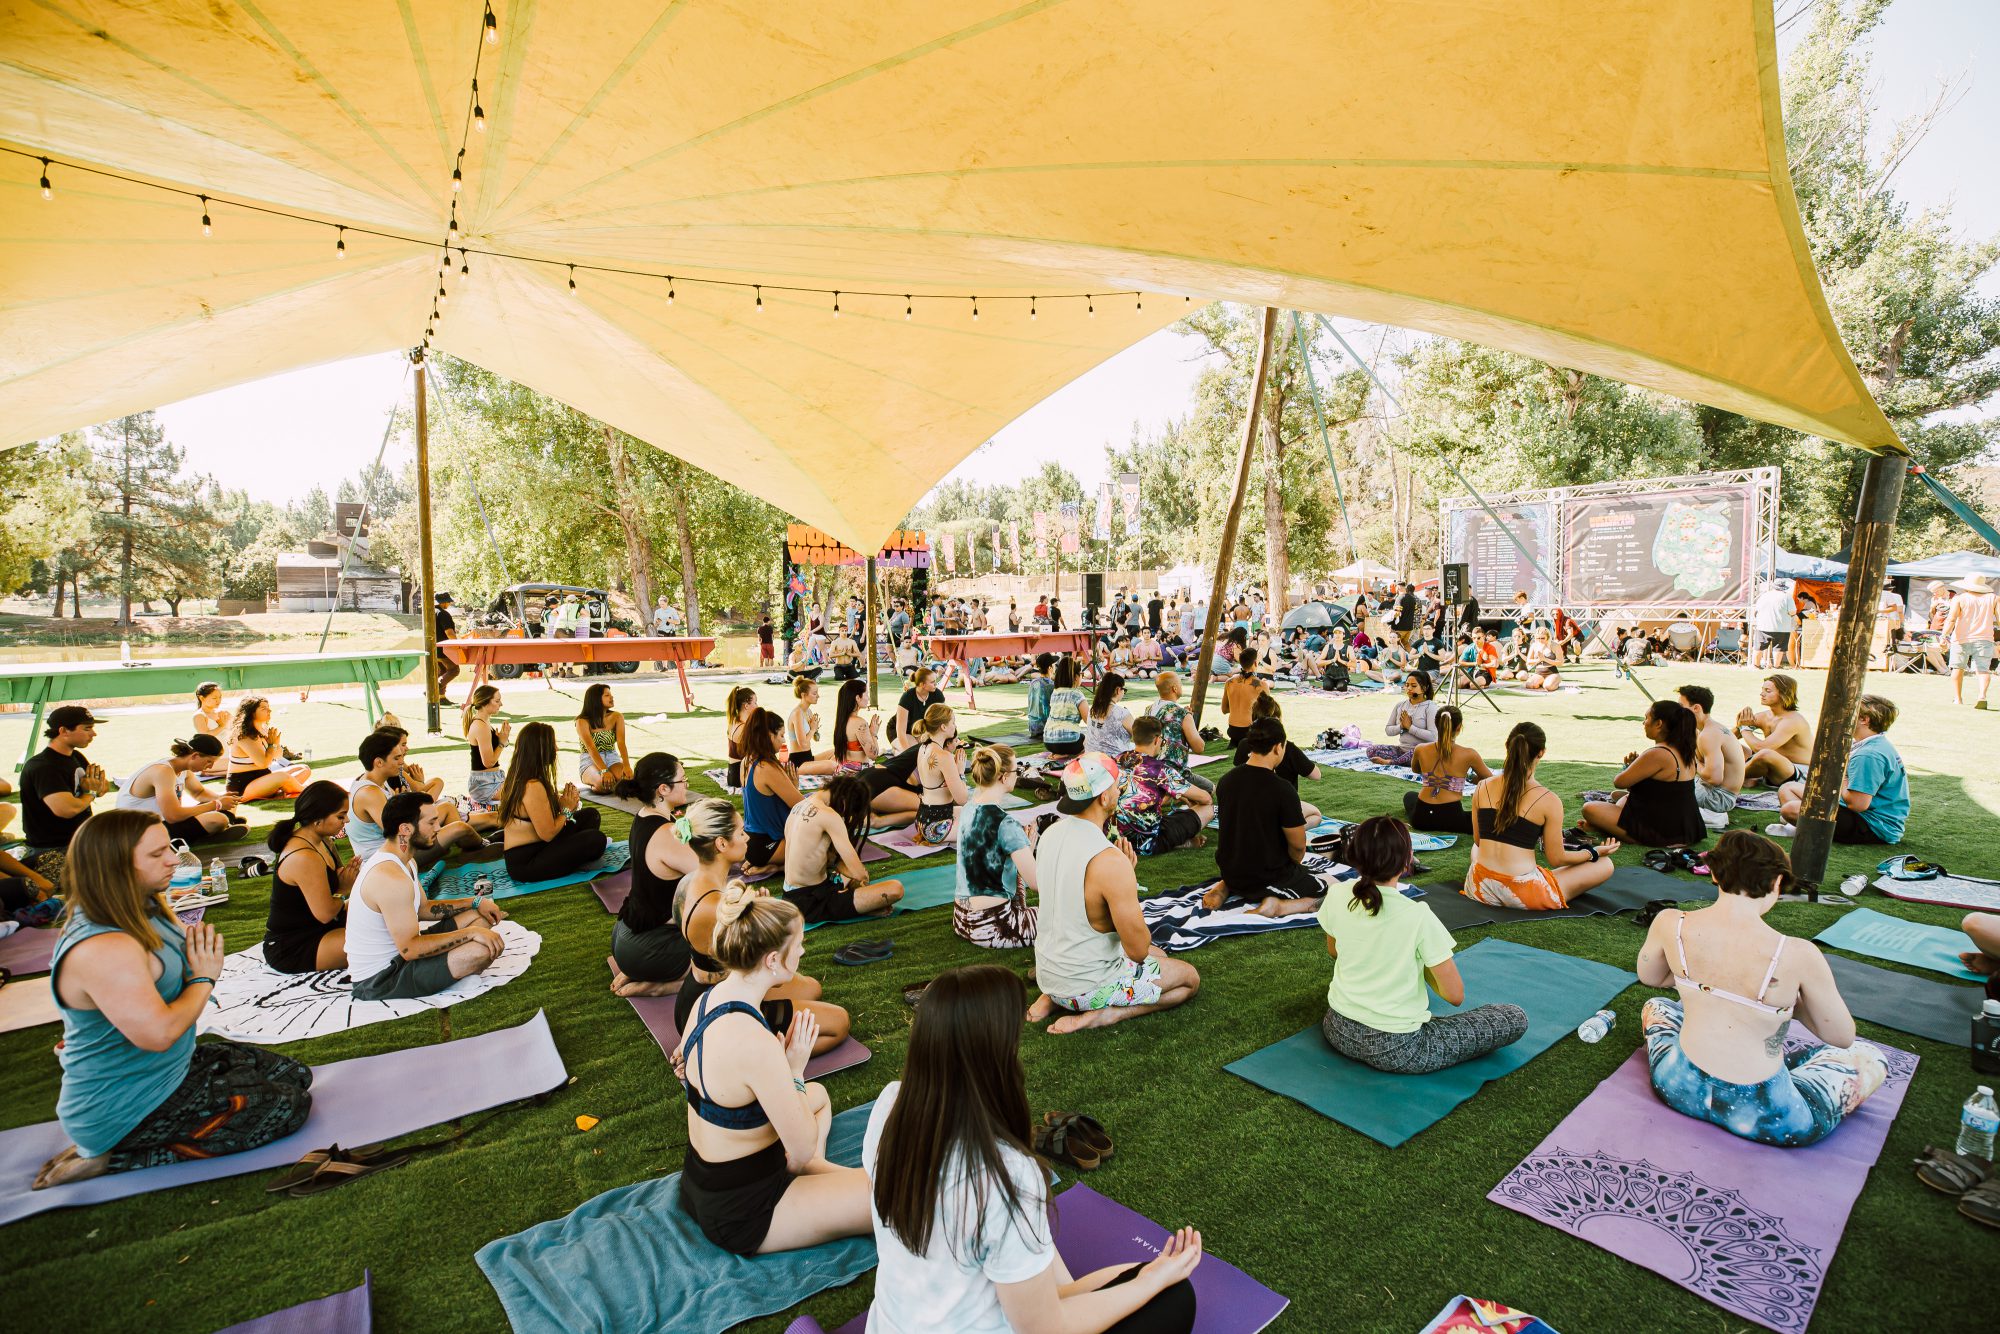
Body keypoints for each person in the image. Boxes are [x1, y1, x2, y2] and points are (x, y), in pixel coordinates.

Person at [864, 965, 1202, 1334]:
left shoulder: (891, 1105)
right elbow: (1046, 1331)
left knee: (1141, 1274)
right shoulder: (1006, 1175)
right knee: (1173, 1298)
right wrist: (1149, 1283)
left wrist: (1144, 1277)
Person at [32, 810, 313, 1191]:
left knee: (296, 1075)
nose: (172, 859)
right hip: (126, 1104)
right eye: (156, 854)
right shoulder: (104, 946)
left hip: (167, 1070)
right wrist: (203, 978)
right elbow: (160, 1034)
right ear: (116, 865)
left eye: (168, 847)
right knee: (289, 1109)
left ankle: (122, 1142)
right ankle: (113, 1157)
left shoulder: (145, 905)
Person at [1635, 831, 1887, 1147]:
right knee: (1868, 1055)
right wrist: (1788, 1006)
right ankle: (1790, 1062)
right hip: (1767, 1113)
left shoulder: (1671, 922)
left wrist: (1702, 983)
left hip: (1678, 1086)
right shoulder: (1797, 953)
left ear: (1713, 873)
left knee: (1657, 1005)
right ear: (1777, 883)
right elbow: (1841, 1036)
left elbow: (1652, 977)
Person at [672, 884, 871, 1257]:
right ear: (773, 962)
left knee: (820, 1097)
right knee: (888, 1200)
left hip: (701, 1183)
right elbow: (799, 1149)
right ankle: (821, 1179)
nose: (803, 949)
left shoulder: (703, 1002)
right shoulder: (753, 1042)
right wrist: (794, 1069)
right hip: (745, 1210)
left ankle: (820, 1172)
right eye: (797, 944)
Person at [1318, 816, 1528, 1074]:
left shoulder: (1338, 893)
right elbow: (1455, 995)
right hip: (1398, 1049)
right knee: (1513, 1017)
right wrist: (1416, 963)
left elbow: (1334, 950)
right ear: (1407, 860)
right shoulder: (1417, 915)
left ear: (1355, 856)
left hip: (1337, 1028)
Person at [1027, 755, 1201, 1034]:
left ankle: (1052, 998)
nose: (1120, 791)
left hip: (1050, 975)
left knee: (1162, 955)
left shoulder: (1050, 835)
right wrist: (1127, 884)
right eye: (1117, 786)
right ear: (1103, 798)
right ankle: (1105, 1015)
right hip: (1086, 986)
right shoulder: (1110, 860)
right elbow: (1138, 950)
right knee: (1188, 979)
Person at [347, 792, 508, 1001]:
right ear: (405, 829)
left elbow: (423, 909)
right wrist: (470, 934)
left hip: (403, 957)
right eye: (431, 822)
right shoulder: (389, 877)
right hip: (383, 978)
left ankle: (449, 970)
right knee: (481, 951)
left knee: (481, 914)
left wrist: (475, 901)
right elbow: (410, 949)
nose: (438, 828)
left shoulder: (406, 860)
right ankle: (451, 972)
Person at [1464, 724, 1618, 910]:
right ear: (1541, 753)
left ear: (1508, 747)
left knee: (1476, 848)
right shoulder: (1549, 800)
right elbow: (1557, 859)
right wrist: (1593, 853)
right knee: (1605, 864)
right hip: (1522, 894)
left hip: (1479, 886)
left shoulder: (1482, 786)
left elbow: (1479, 840)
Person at [1207, 718, 1322, 916]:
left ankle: (1225, 885)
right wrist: (1294, 869)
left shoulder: (1226, 781)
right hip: (1267, 877)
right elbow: (1298, 846)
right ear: (1278, 747)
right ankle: (1278, 906)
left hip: (1232, 871)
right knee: (1333, 891)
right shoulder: (1282, 789)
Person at [609, 752, 697, 998]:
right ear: (663, 789)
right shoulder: (667, 832)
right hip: (646, 949)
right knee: (730, 955)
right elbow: (708, 877)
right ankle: (661, 985)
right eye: (683, 779)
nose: (687, 784)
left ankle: (640, 970)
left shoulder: (645, 816)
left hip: (625, 936)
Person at [1772, 694, 1908, 844]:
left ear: (1864, 720)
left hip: (1873, 825)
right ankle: (1801, 827)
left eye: (1848, 711)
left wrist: (1841, 775)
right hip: (1860, 812)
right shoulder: (1872, 743)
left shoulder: (1868, 755)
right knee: (1788, 789)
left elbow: (1858, 805)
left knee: (1790, 810)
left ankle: (1802, 828)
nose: (1843, 715)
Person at [347, 730, 482, 869]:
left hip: (395, 848)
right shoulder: (370, 793)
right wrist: (430, 828)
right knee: (459, 828)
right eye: (396, 758)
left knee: (447, 807)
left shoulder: (376, 781)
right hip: (388, 860)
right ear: (379, 762)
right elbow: (399, 833)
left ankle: (470, 848)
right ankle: (481, 846)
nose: (401, 762)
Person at [1578, 700, 1705, 847]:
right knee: (1623, 798)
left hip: (1660, 831)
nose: (1643, 723)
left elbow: (1620, 782)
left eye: (1647, 718)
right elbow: (1657, 789)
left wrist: (1629, 767)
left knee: (1589, 808)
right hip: (1684, 827)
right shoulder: (1684, 750)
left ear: (1659, 724)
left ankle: (1605, 826)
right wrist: (1636, 767)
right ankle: (1604, 825)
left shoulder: (1658, 753)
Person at [262, 781, 357, 974]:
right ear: (318, 819)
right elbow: (325, 913)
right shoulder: (304, 856)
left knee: (383, 917)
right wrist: (344, 890)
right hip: (294, 946)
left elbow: (336, 880)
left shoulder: (323, 841)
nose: (346, 821)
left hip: (320, 927)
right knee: (381, 942)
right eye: (341, 816)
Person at [782, 774, 905, 922]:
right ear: (846, 802)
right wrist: (863, 885)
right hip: (811, 902)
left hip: (791, 895)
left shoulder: (800, 805)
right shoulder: (829, 815)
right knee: (895, 889)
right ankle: (862, 908)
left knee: (846, 875)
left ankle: (858, 906)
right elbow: (859, 874)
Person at [498, 722, 610, 882]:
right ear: (541, 750)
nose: (556, 749)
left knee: (591, 816)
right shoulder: (532, 786)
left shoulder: (524, 776)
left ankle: (568, 856)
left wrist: (565, 801)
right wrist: (566, 810)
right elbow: (548, 833)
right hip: (527, 862)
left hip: (539, 846)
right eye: (553, 744)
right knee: (596, 840)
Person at [954, 746, 1038, 949]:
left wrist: (1025, 846)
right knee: (1066, 917)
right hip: (995, 926)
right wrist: (1032, 850)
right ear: (1003, 777)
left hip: (961, 920)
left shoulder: (966, 810)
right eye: (1016, 770)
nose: (1018, 775)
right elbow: (1037, 882)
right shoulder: (1006, 824)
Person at [20, 706, 114, 877]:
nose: (93, 734)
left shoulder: (76, 757)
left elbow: (102, 786)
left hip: (79, 842)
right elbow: (66, 809)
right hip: (52, 851)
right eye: (87, 728)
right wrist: (90, 794)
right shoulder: (44, 766)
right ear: (63, 731)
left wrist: (94, 789)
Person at [115, 737, 243, 844]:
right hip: (139, 833)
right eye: (209, 761)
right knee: (218, 819)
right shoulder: (163, 771)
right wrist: (217, 804)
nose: (211, 766)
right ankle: (212, 831)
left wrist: (221, 799)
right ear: (195, 756)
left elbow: (199, 793)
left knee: (226, 805)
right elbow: (173, 816)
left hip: (161, 823)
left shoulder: (182, 769)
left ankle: (217, 827)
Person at [1116, 716, 1212, 856]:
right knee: (1208, 809)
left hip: (1116, 839)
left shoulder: (1117, 759)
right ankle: (1177, 841)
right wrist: (1181, 794)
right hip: (1148, 843)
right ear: (1157, 739)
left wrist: (1171, 793)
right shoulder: (1161, 770)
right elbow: (1206, 799)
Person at [1403, 706, 1490, 835]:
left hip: (1422, 818)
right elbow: (1490, 779)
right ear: (1459, 727)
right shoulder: (1469, 754)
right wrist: (1471, 779)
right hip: (1452, 818)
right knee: (1489, 818)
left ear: (1436, 725)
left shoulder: (1420, 749)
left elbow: (1416, 770)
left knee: (1410, 796)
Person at [740, 710, 803, 872]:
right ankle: (774, 868)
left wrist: (792, 786)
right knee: (827, 848)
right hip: (767, 844)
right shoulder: (766, 767)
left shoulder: (746, 761)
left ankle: (762, 861)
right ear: (769, 735)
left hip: (751, 842)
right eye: (781, 735)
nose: (783, 741)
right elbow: (802, 805)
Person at [1678, 684, 1746, 833]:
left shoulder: (1708, 734)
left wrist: (1693, 761)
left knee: (1663, 793)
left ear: (1696, 708)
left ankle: (1711, 816)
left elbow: (1714, 778)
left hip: (1718, 798)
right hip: (1721, 794)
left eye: (1681, 706)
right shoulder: (1710, 729)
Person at [222, 698, 312, 801]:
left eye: (268, 708)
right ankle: (305, 789)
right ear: (251, 713)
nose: (269, 711)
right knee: (283, 777)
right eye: (264, 708)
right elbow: (263, 763)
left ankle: (281, 789)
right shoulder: (243, 735)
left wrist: (275, 745)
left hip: (263, 779)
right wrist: (271, 745)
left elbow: (277, 756)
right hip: (242, 788)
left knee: (304, 769)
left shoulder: (263, 728)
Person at [1736, 675, 1812, 788]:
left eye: (1768, 691)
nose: (1762, 694)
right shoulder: (1764, 716)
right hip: (1770, 767)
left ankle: (1732, 777)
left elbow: (1761, 748)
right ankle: (1749, 777)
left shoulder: (1792, 721)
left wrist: (1744, 728)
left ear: (1783, 694)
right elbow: (1727, 737)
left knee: (1765, 754)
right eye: (1762, 690)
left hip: (1798, 773)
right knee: (1733, 745)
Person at [1146, 669, 1213, 797]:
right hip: (1173, 772)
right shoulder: (1181, 713)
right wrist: (1189, 719)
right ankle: (1172, 796)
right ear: (1175, 688)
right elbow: (1199, 747)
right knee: (1209, 789)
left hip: (1150, 769)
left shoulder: (1149, 710)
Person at [1944, 573, 1998, 708]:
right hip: (1985, 638)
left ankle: (1958, 698)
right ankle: (1982, 695)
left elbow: (1951, 618)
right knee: (1983, 670)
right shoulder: (1994, 598)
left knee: (1957, 668)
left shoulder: (1959, 598)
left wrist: (1944, 635)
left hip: (1961, 638)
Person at [1369, 671, 1440, 768]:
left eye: (1414, 686)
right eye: (1407, 685)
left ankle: (1390, 762)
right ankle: (1401, 761)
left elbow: (1433, 737)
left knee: (1418, 754)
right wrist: (1401, 727)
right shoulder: (1400, 705)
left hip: (1422, 752)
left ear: (1424, 688)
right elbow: (1388, 730)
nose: (1409, 689)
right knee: (1371, 750)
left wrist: (1410, 727)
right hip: (1401, 750)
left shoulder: (1430, 707)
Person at [574, 683, 632, 795]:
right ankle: (597, 785)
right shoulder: (581, 721)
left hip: (612, 757)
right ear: (596, 699)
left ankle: (612, 782)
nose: (612, 697)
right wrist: (604, 770)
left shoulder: (617, 716)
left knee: (628, 783)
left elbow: (621, 742)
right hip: (590, 759)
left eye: (611, 694)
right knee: (603, 785)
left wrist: (626, 765)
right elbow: (591, 748)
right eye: (607, 695)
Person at [461, 685, 511, 811]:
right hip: (485, 785)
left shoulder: (484, 723)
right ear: (485, 702)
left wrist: (500, 740)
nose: (501, 704)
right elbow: (488, 763)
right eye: (497, 701)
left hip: (492, 780)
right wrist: (501, 743)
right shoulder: (480, 726)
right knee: (526, 790)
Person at [784, 678, 841, 777]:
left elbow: (815, 739)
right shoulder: (797, 713)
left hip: (808, 757)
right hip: (798, 762)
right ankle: (826, 770)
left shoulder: (808, 712)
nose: (818, 696)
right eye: (814, 693)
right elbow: (802, 744)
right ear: (803, 695)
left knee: (839, 752)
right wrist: (813, 729)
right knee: (832, 766)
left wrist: (815, 730)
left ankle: (824, 770)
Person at [1042, 657, 1089, 759]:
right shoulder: (1077, 695)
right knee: (1088, 739)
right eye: (1082, 674)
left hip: (1048, 741)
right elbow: (1089, 721)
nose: (1082, 677)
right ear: (1076, 677)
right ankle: (1066, 754)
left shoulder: (1055, 692)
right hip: (1069, 743)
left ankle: (1058, 752)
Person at [1220, 647, 1268, 747]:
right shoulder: (1261, 685)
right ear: (1255, 663)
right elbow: (1268, 713)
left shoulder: (1229, 682)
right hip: (1250, 731)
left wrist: (1237, 708)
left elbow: (1224, 709)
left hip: (1233, 730)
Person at [1082, 672, 1134, 756]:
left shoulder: (1093, 709)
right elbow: (1140, 736)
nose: (1124, 692)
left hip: (1090, 758)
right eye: (1124, 690)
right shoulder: (1122, 714)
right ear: (1118, 690)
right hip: (1112, 762)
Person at [892, 668, 942, 753]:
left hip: (920, 732)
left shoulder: (937, 694)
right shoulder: (907, 697)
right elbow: (900, 731)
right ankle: (897, 751)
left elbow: (944, 718)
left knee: (929, 751)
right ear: (922, 684)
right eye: (932, 682)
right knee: (914, 752)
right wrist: (907, 754)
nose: (935, 684)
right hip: (901, 732)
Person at [1751, 578, 1797, 670]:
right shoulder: (1787, 597)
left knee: (1758, 647)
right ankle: (1776, 666)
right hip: (1781, 627)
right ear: (1783, 588)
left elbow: (1756, 611)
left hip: (1763, 626)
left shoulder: (1764, 595)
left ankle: (1755, 665)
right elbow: (1792, 612)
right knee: (1778, 648)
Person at [190, 683, 230, 778]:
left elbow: (236, 727)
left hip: (227, 752)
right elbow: (205, 737)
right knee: (240, 768)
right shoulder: (199, 716)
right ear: (202, 698)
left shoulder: (222, 712)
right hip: (212, 757)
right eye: (214, 698)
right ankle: (209, 772)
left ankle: (215, 772)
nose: (218, 701)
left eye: (220, 697)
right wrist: (222, 726)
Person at [723, 687, 759, 788]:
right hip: (740, 777)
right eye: (755, 702)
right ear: (746, 706)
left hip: (733, 774)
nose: (757, 705)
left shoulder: (735, 720)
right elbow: (756, 754)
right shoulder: (743, 728)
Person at [1023, 653, 1056, 743]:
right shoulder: (1051, 685)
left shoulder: (1033, 682)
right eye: (1054, 665)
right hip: (1045, 727)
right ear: (1050, 668)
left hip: (1032, 726)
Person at [434, 593, 460, 705]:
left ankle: (441, 698)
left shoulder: (431, 612)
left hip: (433, 648)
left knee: (443, 671)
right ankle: (433, 690)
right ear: (443, 602)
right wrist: (458, 644)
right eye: (448, 602)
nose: (449, 604)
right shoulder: (443, 614)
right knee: (454, 670)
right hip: (444, 649)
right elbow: (449, 633)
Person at [1874, 577, 1905, 669]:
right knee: (1888, 642)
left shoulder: (1890, 595)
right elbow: (1900, 610)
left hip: (1889, 621)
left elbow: (1898, 609)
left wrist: (1879, 611)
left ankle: (1887, 665)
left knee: (1888, 642)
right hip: (1890, 621)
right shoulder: (1896, 596)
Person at [1393, 581, 1418, 646]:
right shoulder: (1412, 598)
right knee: (1405, 644)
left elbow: (1397, 613)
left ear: (1398, 587)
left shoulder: (1399, 598)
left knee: (1396, 645)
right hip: (1409, 627)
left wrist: (1390, 623)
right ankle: (1414, 656)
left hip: (1400, 627)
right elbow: (1415, 610)